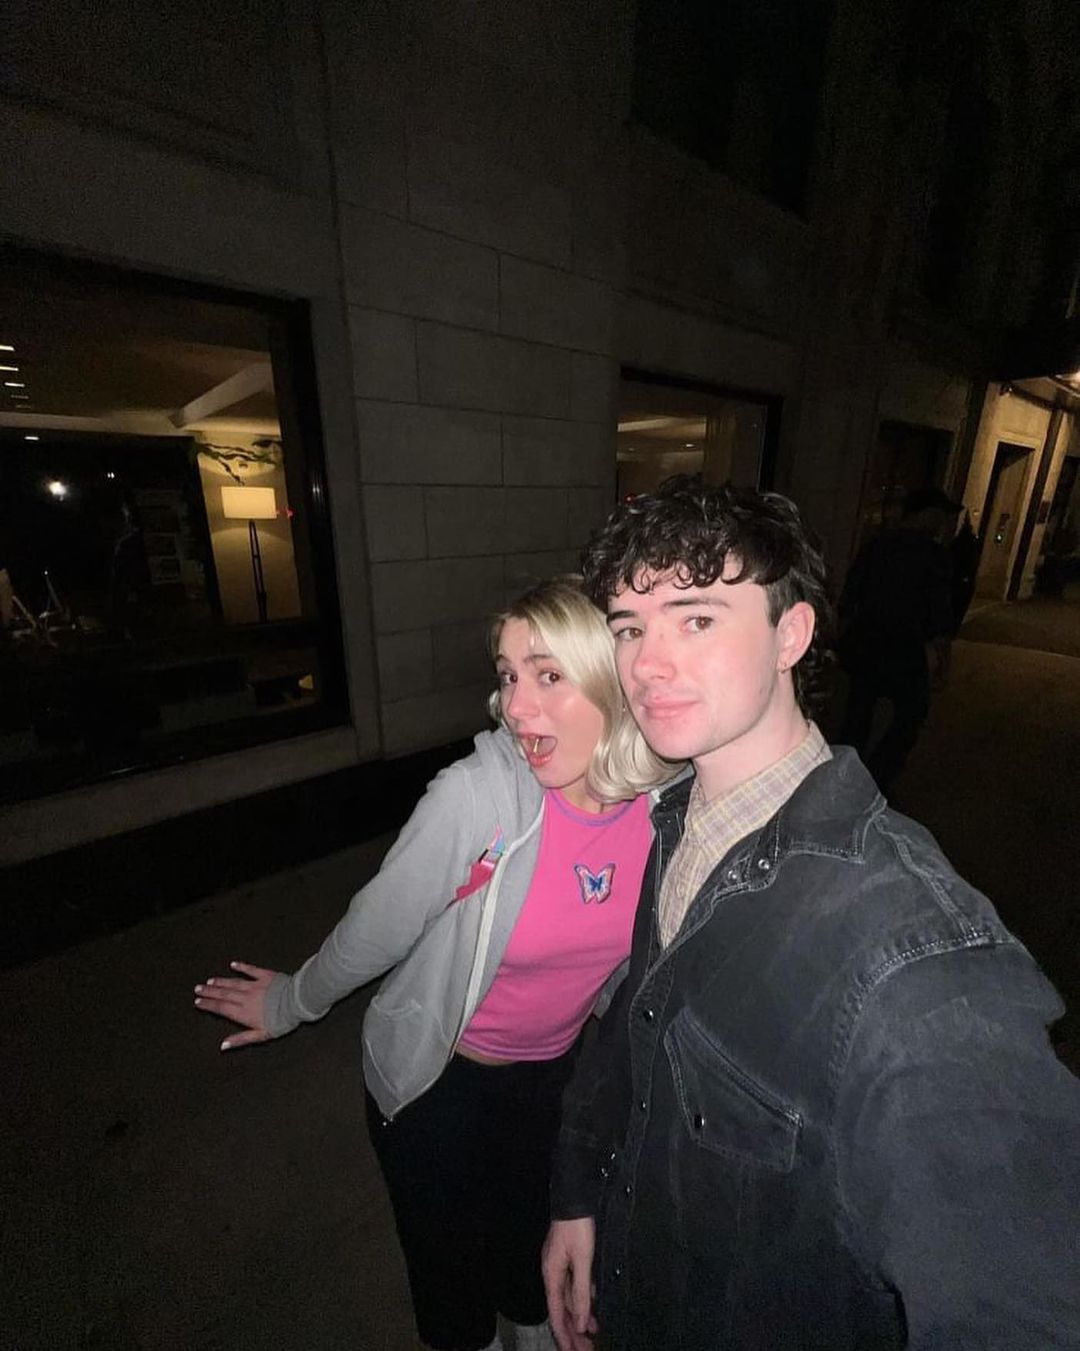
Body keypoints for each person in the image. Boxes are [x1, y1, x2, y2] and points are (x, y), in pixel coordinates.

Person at [542, 479, 1080, 1351]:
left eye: (697, 618)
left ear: (791, 635)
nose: (647, 664)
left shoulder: (914, 958)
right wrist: (578, 1193)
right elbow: (633, 1028)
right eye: (630, 627)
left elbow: (1021, 1303)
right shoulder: (677, 817)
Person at [193, 577, 675, 1351]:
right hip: (438, 1082)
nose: (516, 706)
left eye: (548, 674)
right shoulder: (476, 800)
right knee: (451, 1284)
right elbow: (374, 929)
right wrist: (289, 1002)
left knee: (530, 1259)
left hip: (555, 1081)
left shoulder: (663, 809)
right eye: (508, 675)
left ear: (612, 682)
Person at [837, 485, 962, 791]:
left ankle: (844, 778)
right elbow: (939, 614)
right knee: (910, 715)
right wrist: (943, 662)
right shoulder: (933, 555)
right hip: (904, 648)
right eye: (940, 516)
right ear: (927, 514)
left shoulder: (877, 545)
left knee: (858, 712)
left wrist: (842, 636)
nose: (943, 524)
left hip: (867, 641)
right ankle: (876, 779)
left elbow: (850, 595)